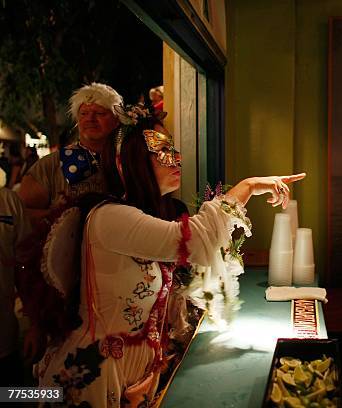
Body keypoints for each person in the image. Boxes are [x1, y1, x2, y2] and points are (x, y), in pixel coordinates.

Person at [35, 105, 305, 407]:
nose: (176, 158)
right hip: (92, 375)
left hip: (131, 374)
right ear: (127, 162)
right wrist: (248, 186)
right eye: (161, 150)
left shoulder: (144, 215)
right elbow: (195, 242)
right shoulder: (110, 217)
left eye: (175, 149)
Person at [18, 83, 122, 224]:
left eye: (100, 113)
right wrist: (61, 217)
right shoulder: (51, 164)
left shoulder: (129, 160)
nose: (90, 119)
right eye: (84, 113)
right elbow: (22, 212)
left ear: (117, 120)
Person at [0, 183, 31, 385]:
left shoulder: (8, 201)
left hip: (4, 339)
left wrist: (36, 324)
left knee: (12, 397)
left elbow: (26, 266)